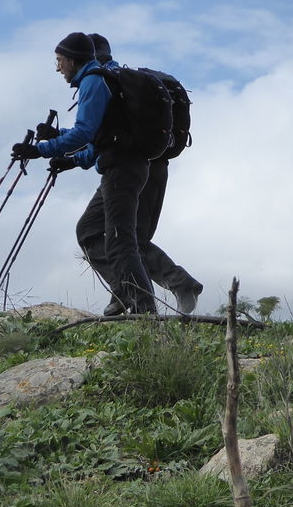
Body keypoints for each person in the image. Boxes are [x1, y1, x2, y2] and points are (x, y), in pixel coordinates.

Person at [11, 32, 156, 315]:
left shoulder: (94, 80)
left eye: (60, 60)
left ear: (73, 60)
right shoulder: (101, 79)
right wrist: (61, 143)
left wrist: (42, 149)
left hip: (122, 169)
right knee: (89, 230)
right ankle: (126, 294)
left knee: (120, 241)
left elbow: (84, 133)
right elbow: (99, 135)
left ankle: (145, 312)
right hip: (122, 166)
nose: (58, 67)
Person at [85, 33, 203, 315]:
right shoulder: (129, 81)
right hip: (155, 166)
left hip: (134, 168)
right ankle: (126, 291)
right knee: (103, 234)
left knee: (123, 240)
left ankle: (161, 289)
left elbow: (94, 135)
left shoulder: (106, 82)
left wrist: (58, 151)